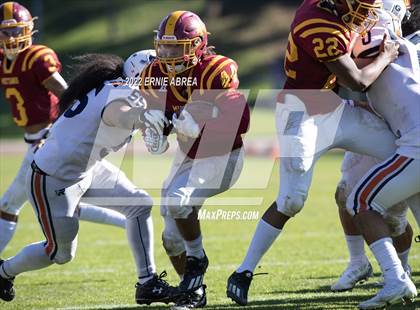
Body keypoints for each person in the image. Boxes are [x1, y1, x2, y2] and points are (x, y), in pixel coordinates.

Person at [226, 0, 403, 306]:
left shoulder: (331, 11)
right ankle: (242, 272)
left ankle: (396, 266)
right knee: (291, 200)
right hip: (300, 113)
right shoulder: (318, 23)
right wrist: (386, 55)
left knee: (403, 155)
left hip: (332, 108)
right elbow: (358, 81)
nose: (365, 12)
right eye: (359, 5)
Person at [0, 52, 177, 305]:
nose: (163, 82)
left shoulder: (117, 86)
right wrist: (145, 119)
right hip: (54, 178)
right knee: (60, 254)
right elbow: (118, 113)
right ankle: (3, 272)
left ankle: (147, 283)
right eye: (159, 76)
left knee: (139, 204)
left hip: (87, 167)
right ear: (141, 76)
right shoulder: (120, 92)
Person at [139, 10, 250, 308]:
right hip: (188, 156)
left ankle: (197, 260)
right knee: (171, 239)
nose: (168, 53)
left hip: (224, 157)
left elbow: (241, 123)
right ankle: (193, 292)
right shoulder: (153, 73)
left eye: (177, 47)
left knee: (178, 200)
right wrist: (155, 125)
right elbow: (155, 124)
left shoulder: (216, 70)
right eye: (164, 45)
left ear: (198, 45)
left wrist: (200, 117)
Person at [0, 1, 126, 256]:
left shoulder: (36, 58)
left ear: (29, 30)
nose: (13, 36)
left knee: (9, 205)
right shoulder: (4, 61)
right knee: (62, 202)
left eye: (17, 30)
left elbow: (68, 95)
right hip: (37, 137)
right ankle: (130, 220)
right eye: (6, 31)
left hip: (47, 138)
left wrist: (65, 134)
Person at [331, 0, 418, 292]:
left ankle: (398, 277)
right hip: (392, 131)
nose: (359, 20)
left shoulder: (378, 42)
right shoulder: (404, 45)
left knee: (363, 202)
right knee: (347, 193)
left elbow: (358, 78)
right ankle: (369, 266)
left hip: (411, 143)